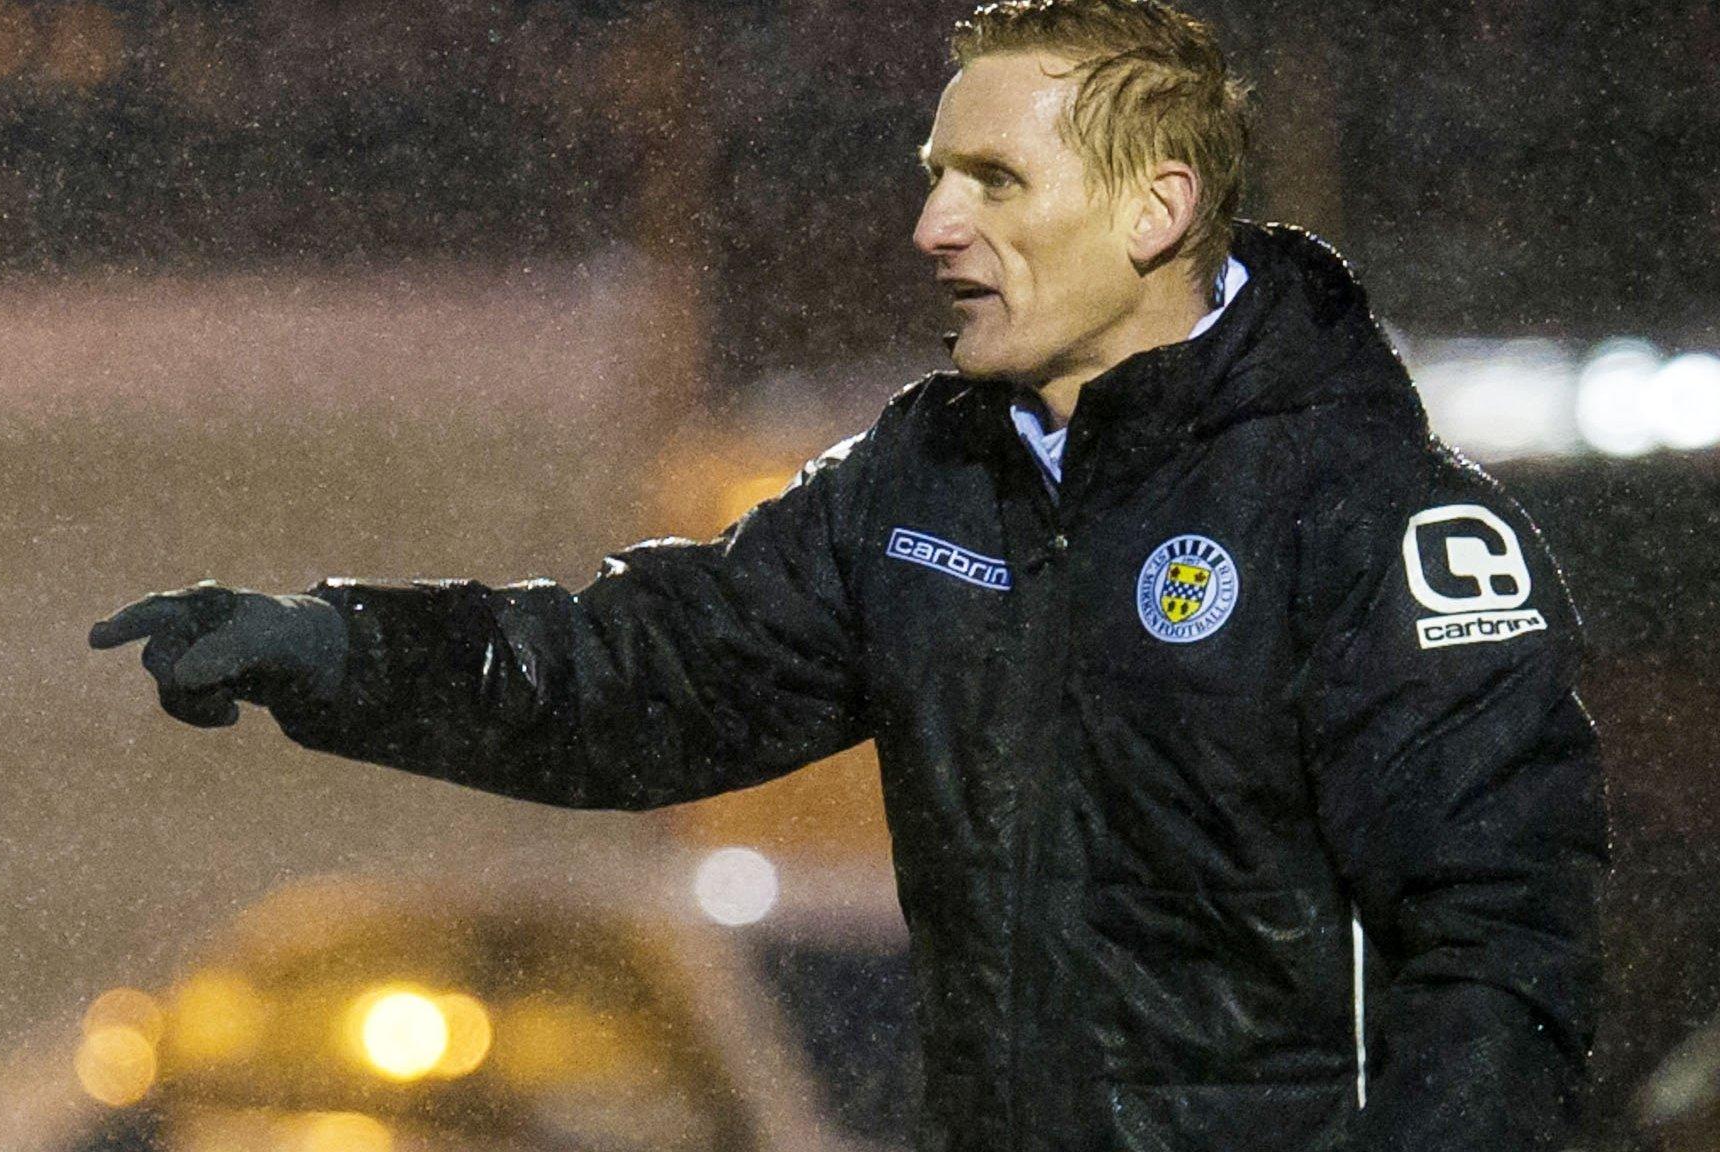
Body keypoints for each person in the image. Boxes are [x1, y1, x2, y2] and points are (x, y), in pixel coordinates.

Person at [90, 2, 1608, 1149]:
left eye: (997, 183)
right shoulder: (919, 487)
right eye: (939, 176)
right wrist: (336, 652)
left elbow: (1496, 962)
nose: (934, 225)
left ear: (1156, 210)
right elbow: (647, 676)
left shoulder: (1373, 522)